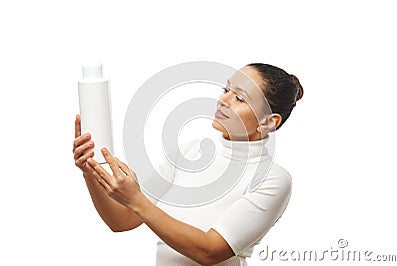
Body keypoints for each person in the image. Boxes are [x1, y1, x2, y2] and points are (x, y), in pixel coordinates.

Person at [73, 63, 303, 265]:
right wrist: (90, 168)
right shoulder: (190, 151)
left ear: (268, 122)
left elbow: (209, 252)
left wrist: (136, 199)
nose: (223, 100)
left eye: (239, 98)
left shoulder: (273, 179)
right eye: (226, 90)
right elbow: (121, 220)